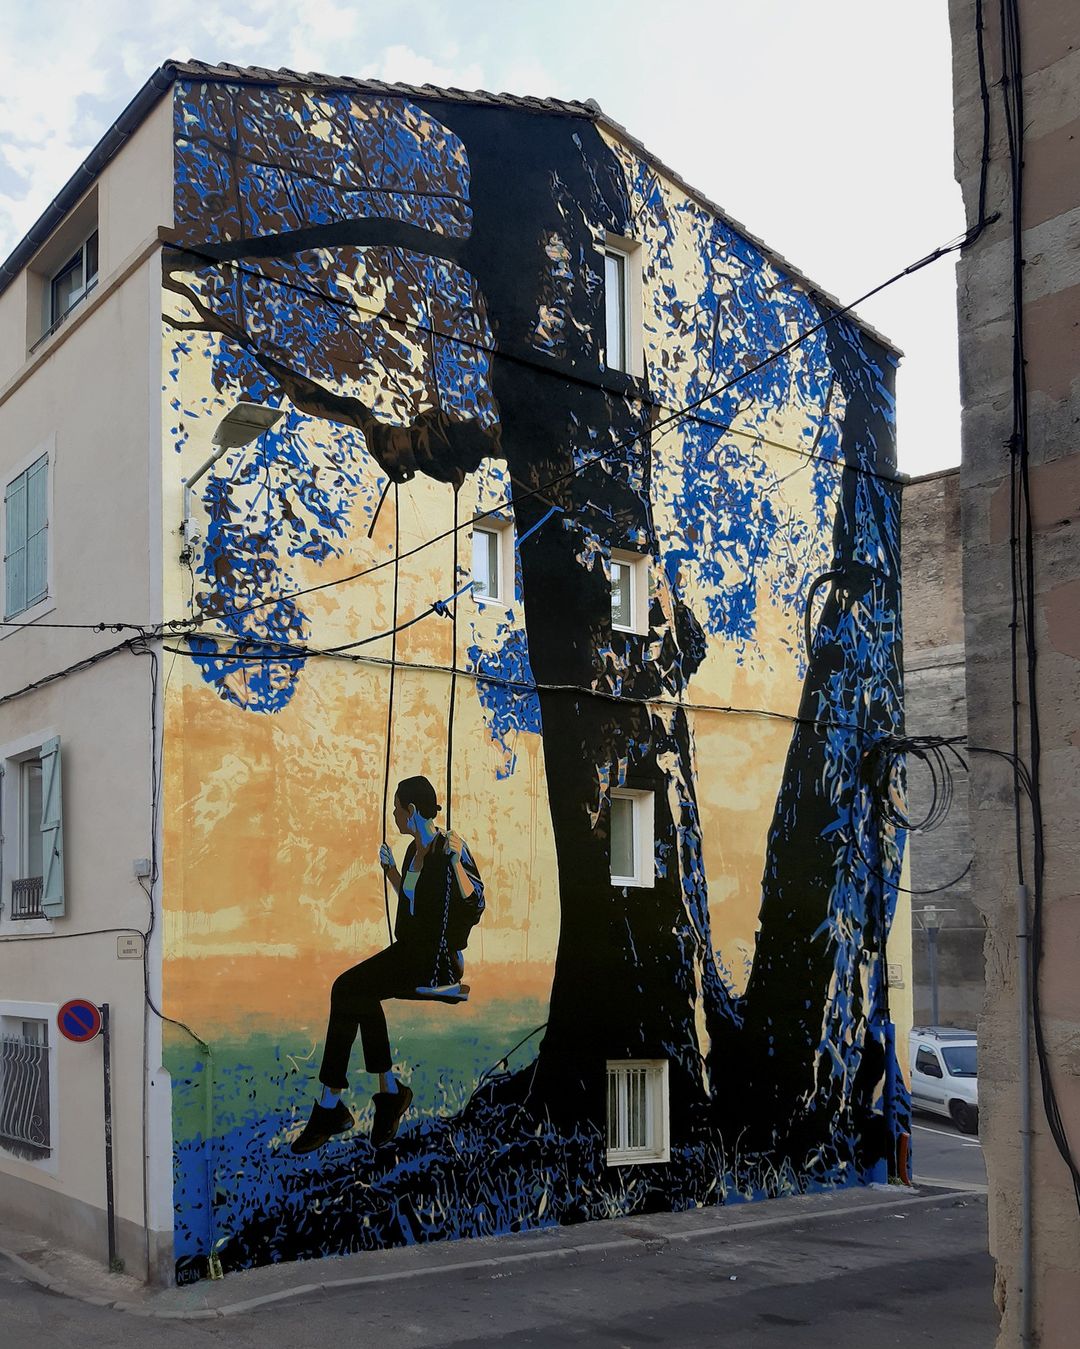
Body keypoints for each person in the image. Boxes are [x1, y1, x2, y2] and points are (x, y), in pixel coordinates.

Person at [291, 776, 484, 1154]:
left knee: (347, 988)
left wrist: (457, 864)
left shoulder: (450, 848)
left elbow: (475, 903)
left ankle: (334, 1106)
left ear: (411, 810)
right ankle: (386, 1093)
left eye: (397, 809)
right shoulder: (413, 851)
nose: (394, 816)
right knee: (357, 994)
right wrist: (392, 871)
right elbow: (414, 903)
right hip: (410, 952)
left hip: (436, 963)